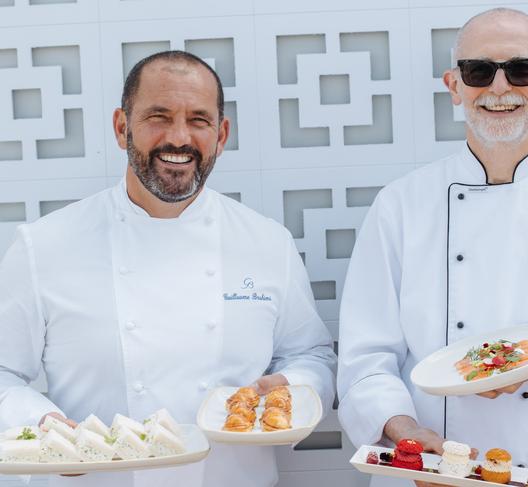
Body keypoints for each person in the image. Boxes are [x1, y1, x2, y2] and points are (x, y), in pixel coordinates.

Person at [336, 8, 528, 487]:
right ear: (455, 86)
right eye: (479, 70)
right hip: (427, 474)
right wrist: (405, 433)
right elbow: (365, 359)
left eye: (521, 69)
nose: (499, 88)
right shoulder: (399, 205)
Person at [0, 50, 336, 487]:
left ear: (221, 134)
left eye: (199, 120)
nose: (178, 138)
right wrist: (41, 422)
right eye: (158, 116)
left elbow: (311, 354)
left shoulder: (268, 242)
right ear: (122, 128)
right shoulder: (43, 246)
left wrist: (289, 387)